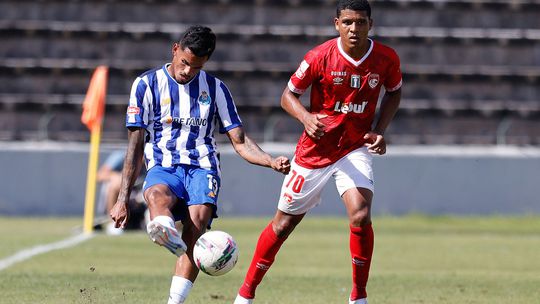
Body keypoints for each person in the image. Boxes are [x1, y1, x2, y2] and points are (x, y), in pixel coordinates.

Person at [233, 1, 402, 303]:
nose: (354, 28)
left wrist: (380, 130)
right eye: (348, 22)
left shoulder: (386, 58)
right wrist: (306, 118)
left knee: (361, 215)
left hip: (354, 147)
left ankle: (358, 296)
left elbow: (394, 91)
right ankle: (245, 294)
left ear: (370, 25)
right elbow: (288, 96)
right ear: (336, 23)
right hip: (315, 152)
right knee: (283, 224)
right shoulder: (319, 57)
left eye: (360, 22)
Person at [109, 25, 291, 304]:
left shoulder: (216, 89)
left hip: (202, 167)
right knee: (157, 195)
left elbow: (239, 140)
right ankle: (162, 226)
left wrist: (269, 160)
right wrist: (122, 199)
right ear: (175, 50)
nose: (187, 72)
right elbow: (134, 146)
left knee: (197, 225)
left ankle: (174, 299)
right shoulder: (145, 85)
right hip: (163, 164)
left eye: (196, 67)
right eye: (184, 63)